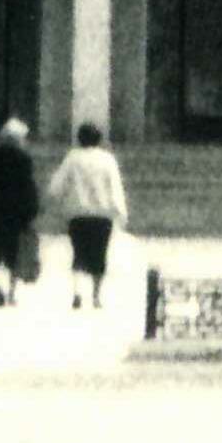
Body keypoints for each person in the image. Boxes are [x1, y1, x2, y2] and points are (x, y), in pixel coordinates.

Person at [48, 122, 130, 311]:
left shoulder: (72, 158)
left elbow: (57, 185)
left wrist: (56, 199)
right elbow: (115, 187)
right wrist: (121, 211)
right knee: (99, 255)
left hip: (77, 213)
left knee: (78, 254)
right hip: (102, 215)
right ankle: (96, 296)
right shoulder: (107, 159)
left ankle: (77, 292)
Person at [0, 117, 42, 308]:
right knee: (13, 253)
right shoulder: (23, 158)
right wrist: (32, 209)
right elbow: (28, 187)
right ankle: (11, 293)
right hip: (16, 212)